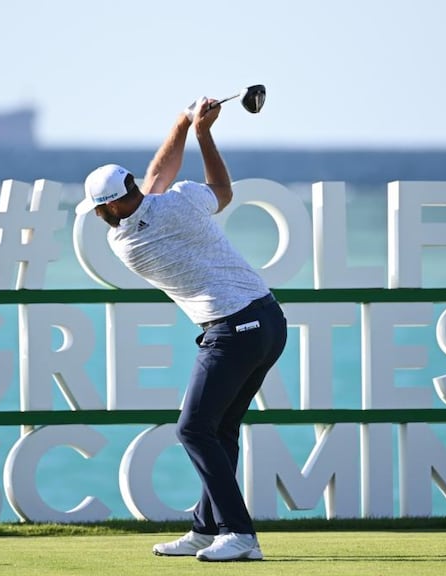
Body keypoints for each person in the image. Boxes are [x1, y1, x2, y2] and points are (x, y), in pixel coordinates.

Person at [75, 97, 287, 561]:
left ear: (108, 210)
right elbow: (219, 190)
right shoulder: (180, 203)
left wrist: (186, 125)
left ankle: (239, 534)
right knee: (220, 428)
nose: (99, 219)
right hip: (268, 321)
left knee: (193, 429)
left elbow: (154, 180)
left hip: (234, 329)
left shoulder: (125, 240)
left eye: (97, 211)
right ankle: (206, 527)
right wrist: (198, 130)